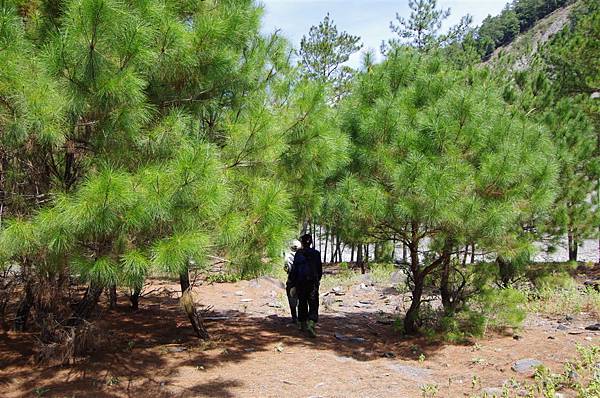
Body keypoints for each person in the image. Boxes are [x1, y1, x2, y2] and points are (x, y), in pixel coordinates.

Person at [289, 233, 322, 337]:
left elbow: (294, 270)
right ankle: (311, 323)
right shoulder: (316, 253)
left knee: (302, 303)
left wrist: (293, 284)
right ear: (311, 242)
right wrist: (317, 281)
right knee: (313, 303)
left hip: (300, 283)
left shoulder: (298, 254)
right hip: (312, 283)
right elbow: (319, 269)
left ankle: (303, 324)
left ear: (302, 243)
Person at [284, 240, 301, 324]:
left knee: (292, 299)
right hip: (302, 281)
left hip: (291, 281)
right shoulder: (304, 255)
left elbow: (286, 269)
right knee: (302, 300)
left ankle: (294, 318)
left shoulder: (288, 256)